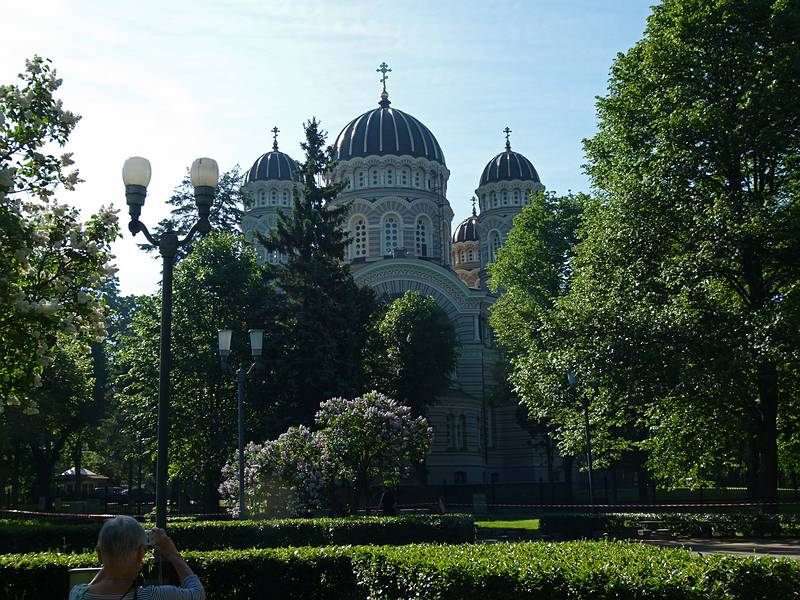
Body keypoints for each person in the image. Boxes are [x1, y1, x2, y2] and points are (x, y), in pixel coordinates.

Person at [69, 515, 205, 600]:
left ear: (99, 553)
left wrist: (111, 554)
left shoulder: (77, 593)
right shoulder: (153, 596)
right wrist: (172, 554)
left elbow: (89, 587)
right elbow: (198, 593)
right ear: (140, 554)